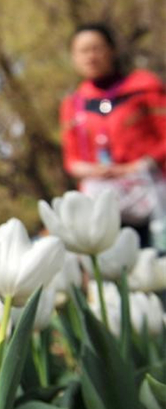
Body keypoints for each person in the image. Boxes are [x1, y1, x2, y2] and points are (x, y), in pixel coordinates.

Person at [60, 23, 166, 246]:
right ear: (73, 57)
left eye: (96, 48)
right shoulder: (73, 104)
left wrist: (138, 166)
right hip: (102, 200)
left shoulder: (145, 88)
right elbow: (71, 160)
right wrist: (93, 170)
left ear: (112, 50)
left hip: (150, 194)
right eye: (83, 51)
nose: (91, 56)